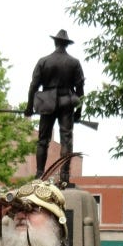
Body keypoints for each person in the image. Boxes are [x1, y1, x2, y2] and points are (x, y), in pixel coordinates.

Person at [25, 29, 85, 186]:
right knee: (66, 139)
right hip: (67, 103)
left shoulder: (44, 61)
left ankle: (39, 174)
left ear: (55, 42)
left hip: (48, 103)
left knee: (42, 140)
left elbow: (33, 86)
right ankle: (64, 176)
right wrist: (79, 111)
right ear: (66, 44)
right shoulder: (74, 63)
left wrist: (29, 107)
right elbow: (80, 90)